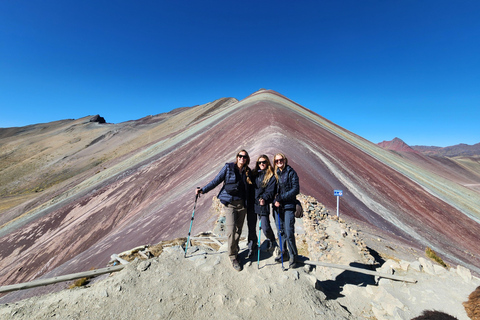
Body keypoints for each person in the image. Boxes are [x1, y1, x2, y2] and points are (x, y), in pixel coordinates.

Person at [196, 149, 253, 271]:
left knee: (238, 230)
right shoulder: (228, 168)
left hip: (242, 204)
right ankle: (232, 256)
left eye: (244, 157)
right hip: (230, 204)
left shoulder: (247, 171)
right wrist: (203, 190)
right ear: (237, 157)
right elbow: (216, 181)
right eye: (240, 156)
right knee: (231, 230)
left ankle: (235, 249)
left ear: (247, 159)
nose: (242, 158)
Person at [273, 153, 300, 268]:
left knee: (289, 232)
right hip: (278, 207)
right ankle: (284, 253)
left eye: (281, 159)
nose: (279, 162)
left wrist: (281, 197)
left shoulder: (291, 172)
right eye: (276, 160)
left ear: (285, 160)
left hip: (289, 206)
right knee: (281, 231)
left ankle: (293, 255)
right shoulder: (275, 173)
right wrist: (274, 199)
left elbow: (296, 189)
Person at [253, 154, 278, 253]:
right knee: (251, 227)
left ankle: (271, 239)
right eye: (260, 162)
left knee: (265, 226)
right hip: (253, 203)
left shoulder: (271, 176)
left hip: (263, 204)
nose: (262, 164)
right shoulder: (254, 174)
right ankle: (252, 246)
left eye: (264, 162)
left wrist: (264, 198)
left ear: (267, 163)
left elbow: (270, 191)